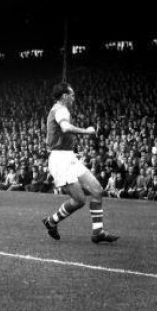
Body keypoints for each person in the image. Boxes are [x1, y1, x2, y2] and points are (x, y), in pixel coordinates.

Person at [42, 82, 118, 244]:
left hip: (69, 157)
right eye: (72, 95)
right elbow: (65, 127)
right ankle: (52, 221)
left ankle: (98, 233)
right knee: (80, 200)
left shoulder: (60, 109)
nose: (74, 98)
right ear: (65, 96)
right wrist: (86, 132)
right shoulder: (60, 109)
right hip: (60, 159)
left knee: (97, 190)